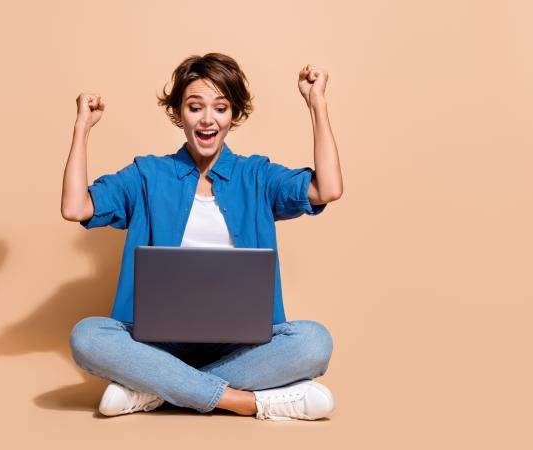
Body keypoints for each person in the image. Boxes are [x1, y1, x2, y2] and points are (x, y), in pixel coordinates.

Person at [61, 53, 343, 421]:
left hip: (242, 348)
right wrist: (82, 127)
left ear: (233, 115)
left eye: (220, 108)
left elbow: (328, 188)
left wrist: (316, 103)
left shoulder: (255, 175)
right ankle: (250, 403)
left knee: (314, 342)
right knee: (87, 336)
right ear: (179, 113)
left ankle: (154, 390)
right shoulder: (148, 175)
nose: (208, 119)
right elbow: (75, 207)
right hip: (158, 347)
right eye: (195, 107)